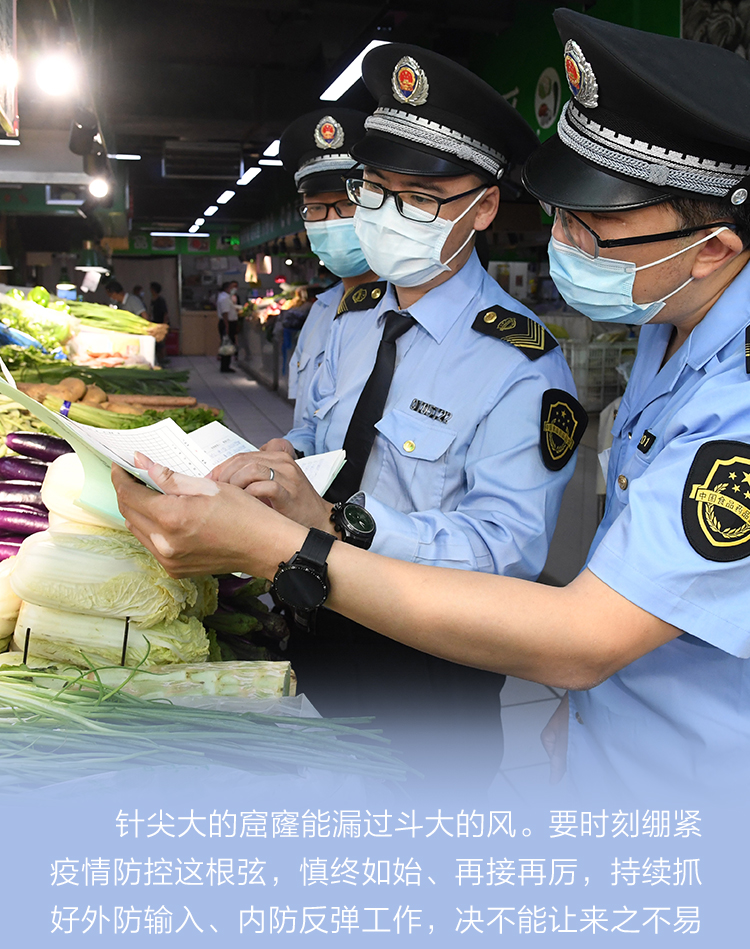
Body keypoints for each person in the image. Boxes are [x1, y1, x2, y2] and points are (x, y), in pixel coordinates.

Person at [114, 11, 750, 792]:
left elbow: (576, 622)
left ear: (714, 249)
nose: (564, 242)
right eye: (563, 213)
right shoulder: (666, 328)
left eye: (595, 228)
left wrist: (302, 539)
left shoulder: (614, 376)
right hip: (604, 736)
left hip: (674, 770)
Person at [116, 43, 584, 780]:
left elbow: (507, 550)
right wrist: (278, 462)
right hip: (313, 608)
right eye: (375, 189)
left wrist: (342, 523)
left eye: (421, 198)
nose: (389, 215)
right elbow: (317, 433)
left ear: (484, 206)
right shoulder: (352, 316)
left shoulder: (521, 363)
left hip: (427, 656)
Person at [278, 108, 378, 424]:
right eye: (316, 208)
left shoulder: (403, 313)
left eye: (347, 204)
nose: (331, 221)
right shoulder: (321, 311)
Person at [216, 280, 239, 373]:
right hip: (227, 323)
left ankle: (226, 365)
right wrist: (227, 326)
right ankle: (225, 366)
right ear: (226, 288)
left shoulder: (225, 297)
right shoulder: (224, 298)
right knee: (227, 344)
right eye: (231, 288)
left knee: (227, 343)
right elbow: (225, 313)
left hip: (227, 323)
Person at [150, 282, 169, 365]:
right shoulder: (153, 300)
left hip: (160, 322)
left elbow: (165, 313)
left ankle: (163, 359)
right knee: (156, 343)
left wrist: (164, 324)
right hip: (154, 322)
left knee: (161, 343)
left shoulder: (161, 300)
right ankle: (158, 359)